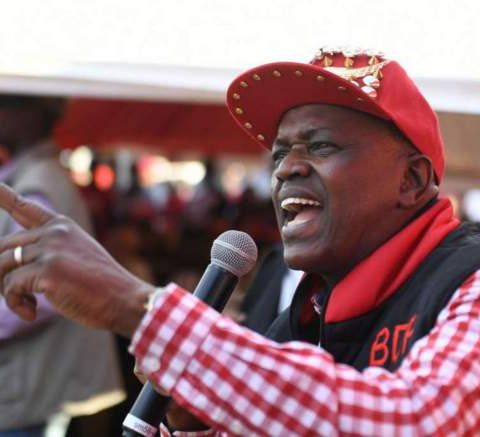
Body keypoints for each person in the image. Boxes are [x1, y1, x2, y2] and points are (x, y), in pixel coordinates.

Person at [0, 47, 479, 436]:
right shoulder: (303, 317)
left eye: (321, 146)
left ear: (412, 181)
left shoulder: (469, 284)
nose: (286, 168)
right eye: (279, 153)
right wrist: (193, 421)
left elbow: (419, 421)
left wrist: (137, 307)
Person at [0, 95, 124, 436]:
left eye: (4, 105)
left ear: (32, 116)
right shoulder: (34, 175)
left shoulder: (38, 183)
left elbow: (45, 287)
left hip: (31, 384)